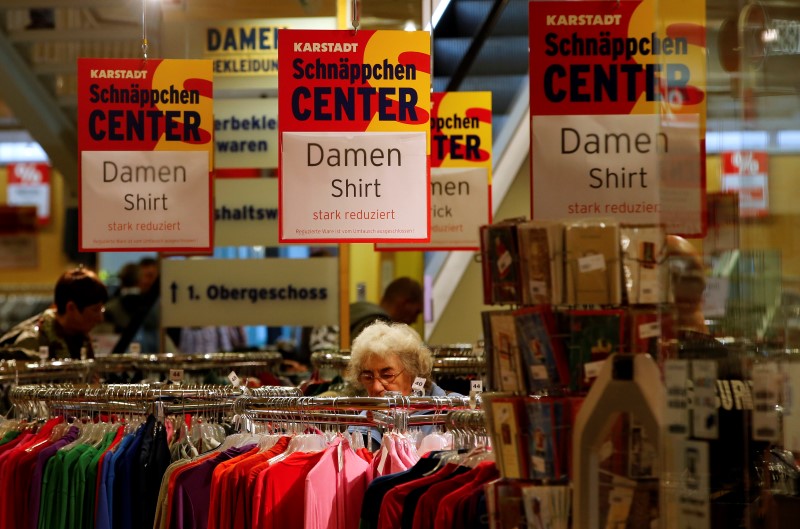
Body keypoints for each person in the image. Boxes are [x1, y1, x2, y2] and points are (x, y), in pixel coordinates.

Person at [0, 267, 108, 359]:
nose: (100, 318)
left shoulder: (79, 335)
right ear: (71, 308)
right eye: (95, 310)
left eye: (101, 309)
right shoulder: (30, 343)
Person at [346, 321, 446, 398]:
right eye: (368, 377)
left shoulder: (452, 414)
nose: (376, 388)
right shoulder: (360, 424)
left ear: (413, 373)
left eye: (387, 376)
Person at [350, 277, 424, 340]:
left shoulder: (358, 311)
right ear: (404, 303)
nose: (415, 320)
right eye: (416, 312)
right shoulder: (379, 327)